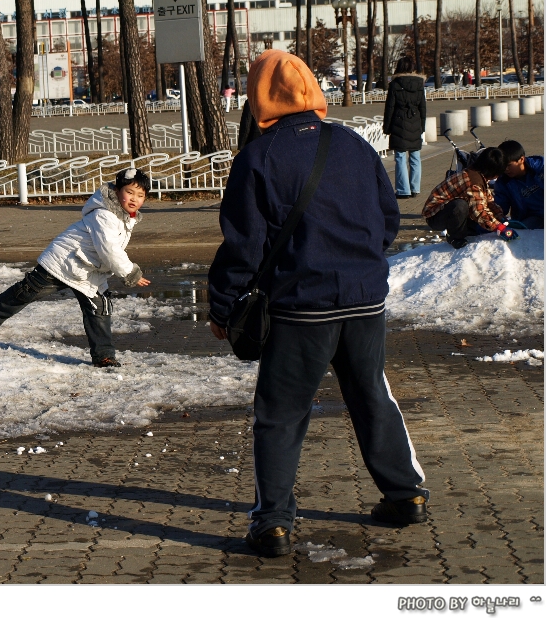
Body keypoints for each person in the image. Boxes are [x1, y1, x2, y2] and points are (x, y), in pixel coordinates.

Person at [208, 49, 429, 558]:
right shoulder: (353, 145)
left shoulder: (258, 158)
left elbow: (243, 247)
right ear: (312, 90)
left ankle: (273, 524)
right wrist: (359, 264)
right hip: (364, 301)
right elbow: (389, 221)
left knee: (281, 414)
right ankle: (406, 494)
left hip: (300, 309)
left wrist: (221, 308)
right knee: (373, 396)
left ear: (259, 97)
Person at [0, 168, 152, 368]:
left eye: (140, 196)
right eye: (129, 192)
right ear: (117, 190)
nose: (134, 199)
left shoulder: (124, 217)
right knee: (28, 291)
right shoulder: (105, 215)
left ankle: (104, 356)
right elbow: (109, 250)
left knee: (100, 309)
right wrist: (130, 272)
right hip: (62, 261)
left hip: (88, 271)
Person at [422, 147, 517, 249]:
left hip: (445, 210)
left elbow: (488, 202)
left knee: (472, 205)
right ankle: (454, 237)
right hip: (435, 215)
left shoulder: (478, 175)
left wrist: (501, 217)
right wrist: (499, 227)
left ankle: (468, 230)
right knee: (460, 206)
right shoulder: (473, 182)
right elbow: (479, 212)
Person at [383, 56, 426, 199]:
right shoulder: (419, 84)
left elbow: (390, 108)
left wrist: (387, 128)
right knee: (415, 156)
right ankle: (415, 188)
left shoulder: (395, 84)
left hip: (399, 122)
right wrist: (422, 126)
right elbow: (422, 107)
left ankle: (403, 190)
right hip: (415, 121)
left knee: (400, 156)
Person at [492, 140, 544, 229]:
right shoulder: (503, 182)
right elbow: (499, 208)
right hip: (531, 218)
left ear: (521, 159)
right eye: (503, 166)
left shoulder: (541, 168)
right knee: (521, 231)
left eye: (509, 165)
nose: (506, 169)